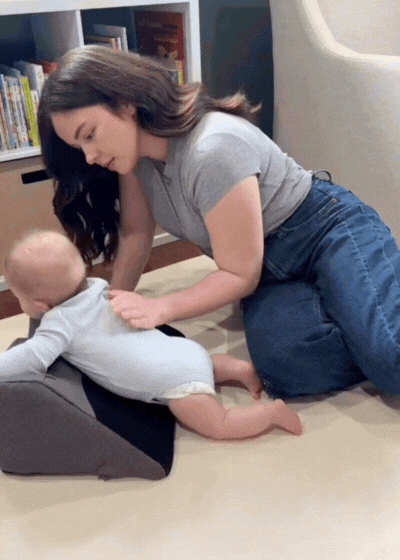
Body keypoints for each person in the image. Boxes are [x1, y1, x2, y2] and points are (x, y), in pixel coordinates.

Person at [37, 45, 400, 400]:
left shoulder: (212, 148)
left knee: (391, 359)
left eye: (88, 134)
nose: (89, 155)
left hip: (324, 230)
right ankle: (367, 306)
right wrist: (113, 307)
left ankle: (373, 313)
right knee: (284, 367)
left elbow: (240, 274)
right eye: (78, 147)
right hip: (266, 268)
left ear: (125, 102)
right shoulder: (135, 161)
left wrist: (161, 307)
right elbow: (136, 234)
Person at [1, 229, 302, 440]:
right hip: (184, 351)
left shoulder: (58, 324)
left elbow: (30, 357)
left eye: (19, 298)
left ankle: (269, 415)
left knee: (218, 424)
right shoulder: (97, 287)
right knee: (207, 364)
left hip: (174, 382)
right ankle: (238, 369)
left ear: (41, 305)